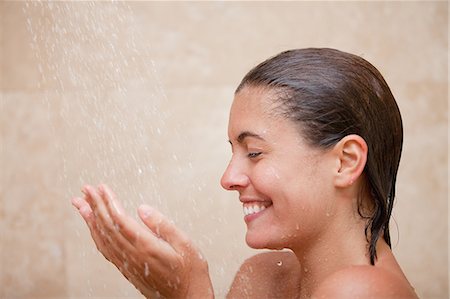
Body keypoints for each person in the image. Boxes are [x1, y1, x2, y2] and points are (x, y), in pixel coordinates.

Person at [71, 48, 418, 298]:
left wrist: (188, 293)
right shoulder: (265, 278)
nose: (228, 178)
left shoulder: (363, 291)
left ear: (344, 162)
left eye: (254, 152)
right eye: (233, 152)